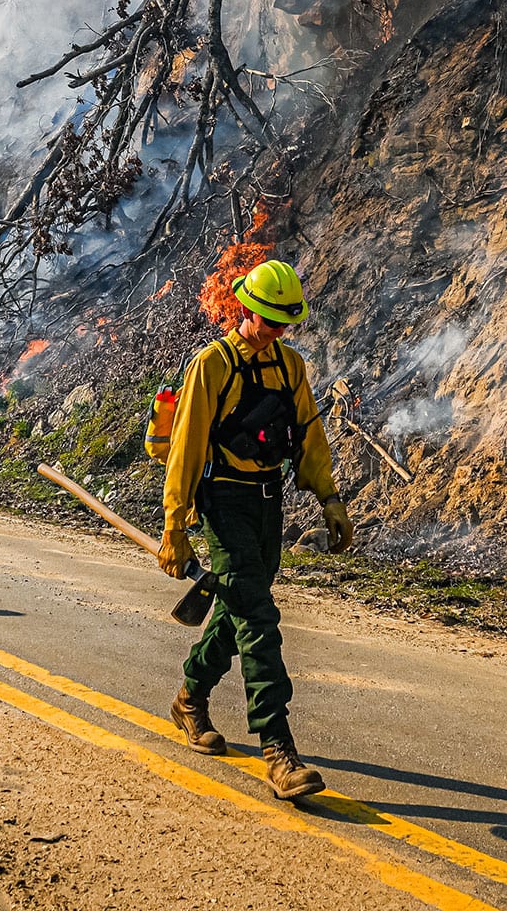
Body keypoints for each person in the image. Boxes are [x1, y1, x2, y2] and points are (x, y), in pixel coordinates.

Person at [158, 258, 356, 799]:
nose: (275, 333)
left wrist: (329, 498)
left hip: (269, 502)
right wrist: (175, 525)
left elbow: (309, 438)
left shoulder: (290, 367)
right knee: (259, 617)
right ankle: (278, 748)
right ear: (244, 309)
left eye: (283, 325)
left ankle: (190, 697)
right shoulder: (211, 366)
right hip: (223, 501)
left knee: (240, 606)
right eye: (268, 321)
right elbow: (185, 448)